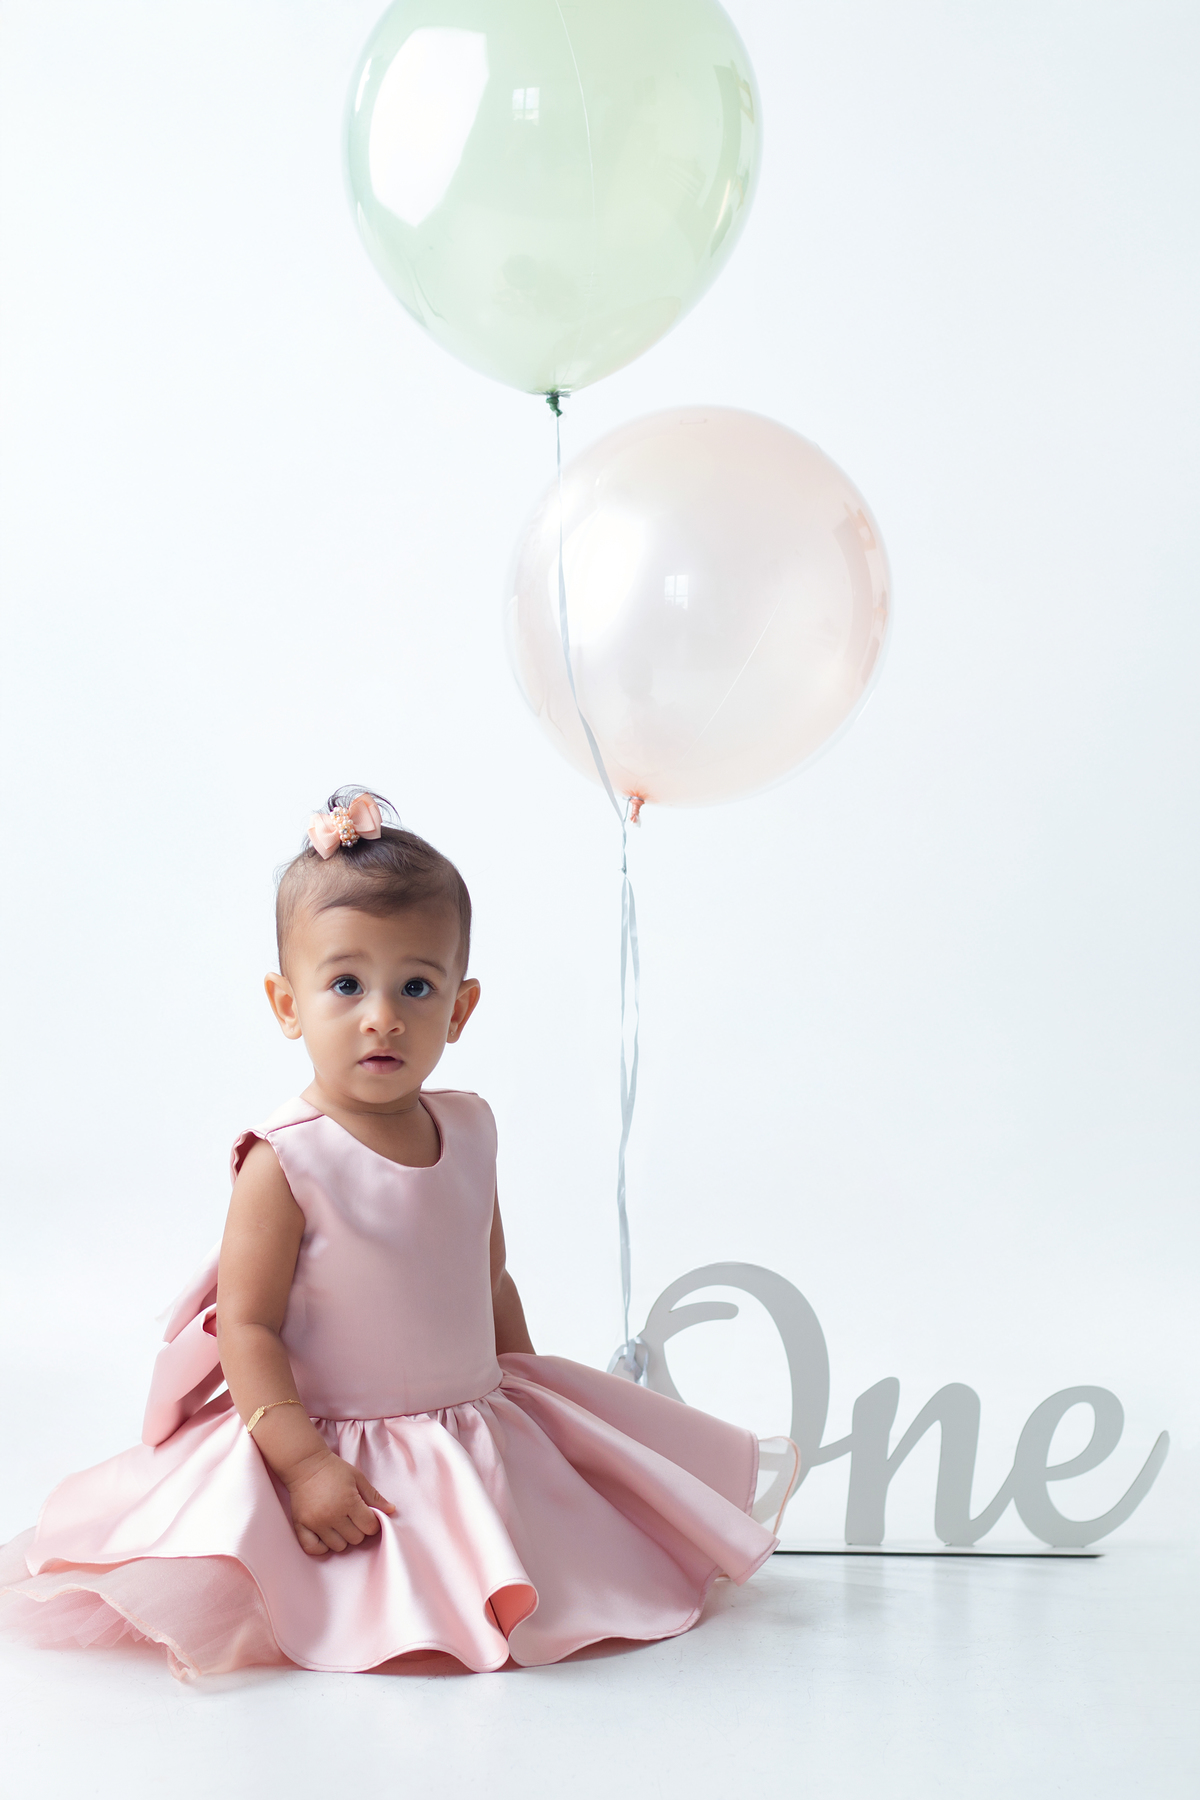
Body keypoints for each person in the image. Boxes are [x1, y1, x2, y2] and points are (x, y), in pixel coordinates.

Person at [0, 789, 796, 1679]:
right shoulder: (286, 1161)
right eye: (346, 985)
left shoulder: (472, 1130)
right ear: (287, 1003)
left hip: (471, 1423)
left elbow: (488, 1279)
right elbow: (247, 1327)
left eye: (416, 986)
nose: (382, 1015)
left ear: (460, 1007)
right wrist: (304, 1466)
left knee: (571, 1552)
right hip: (332, 1435)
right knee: (344, 1585)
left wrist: (540, 1428)